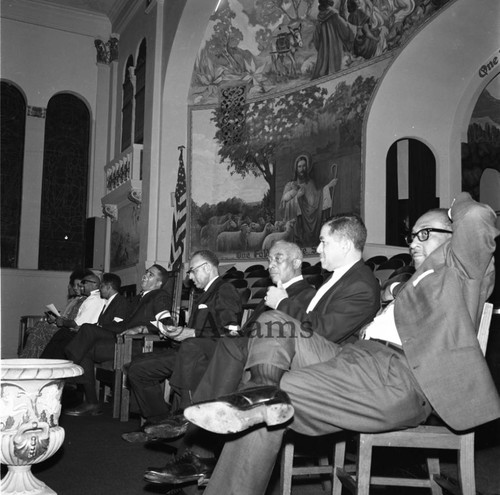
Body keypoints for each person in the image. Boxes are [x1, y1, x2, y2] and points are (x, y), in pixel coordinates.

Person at [181, 193, 500, 495]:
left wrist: (455, 205)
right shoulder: (413, 282)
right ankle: (262, 388)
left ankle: (259, 401)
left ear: (454, 237)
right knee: (272, 324)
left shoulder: (463, 270)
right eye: (412, 235)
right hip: (353, 357)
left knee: (268, 398)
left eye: (425, 234)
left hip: (396, 375)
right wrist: (396, 290)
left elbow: (475, 216)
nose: (414, 242)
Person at [144, 214, 381, 486]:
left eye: (323, 242)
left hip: (329, 363)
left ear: (345, 244)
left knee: (238, 353)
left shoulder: (361, 283)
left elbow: (324, 331)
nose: (317, 249)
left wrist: (283, 304)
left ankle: (197, 440)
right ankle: (198, 441)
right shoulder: (338, 278)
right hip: (301, 349)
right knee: (232, 347)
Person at [142, 241, 317, 444]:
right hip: (240, 346)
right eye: (269, 260)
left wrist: (280, 303)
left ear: (296, 262)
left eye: (278, 259)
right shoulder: (272, 293)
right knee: (184, 353)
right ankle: (184, 418)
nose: (270, 265)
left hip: (262, 355)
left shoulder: (305, 294)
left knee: (198, 348)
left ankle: (187, 417)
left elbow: (298, 334)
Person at [122, 250, 243, 442]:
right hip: (189, 351)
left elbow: (230, 331)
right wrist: (176, 332)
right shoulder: (203, 295)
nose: (190, 277)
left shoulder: (224, 289)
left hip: (209, 354)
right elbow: (196, 331)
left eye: (193, 271)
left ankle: (179, 422)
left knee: (186, 352)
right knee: (137, 368)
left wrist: (192, 333)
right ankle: (160, 423)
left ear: (207, 267)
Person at [63, 264, 173, 416]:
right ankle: (91, 402)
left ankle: (69, 372)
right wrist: (101, 327)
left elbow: (167, 324)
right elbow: (123, 323)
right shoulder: (137, 298)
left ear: (159, 283)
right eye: (146, 272)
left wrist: (143, 328)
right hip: (121, 337)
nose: (145, 276)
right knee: (86, 339)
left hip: (137, 344)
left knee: (86, 335)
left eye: (151, 275)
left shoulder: (160, 296)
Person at [20, 268, 87, 358]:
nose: (74, 288)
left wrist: (58, 321)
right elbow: (65, 318)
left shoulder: (85, 301)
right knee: (39, 328)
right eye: (74, 285)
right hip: (63, 327)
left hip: (69, 331)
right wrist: (55, 320)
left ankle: (29, 360)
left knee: (39, 330)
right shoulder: (75, 300)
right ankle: (31, 359)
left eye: (78, 285)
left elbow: (73, 321)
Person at [40, 271, 105, 359]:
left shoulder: (94, 299)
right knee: (59, 336)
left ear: (95, 285)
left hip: (85, 333)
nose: (81, 286)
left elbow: (76, 323)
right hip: (81, 330)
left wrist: (62, 322)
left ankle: (48, 364)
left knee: (61, 336)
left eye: (84, 283)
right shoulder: (90, 298)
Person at [280, 153, 337, 247]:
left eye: (304, 166)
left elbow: (315, 202)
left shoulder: (310, 184)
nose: (302, 169)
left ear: (307, 167)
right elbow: (282, 207)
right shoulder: (290, 185)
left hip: (310, 222)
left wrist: (328, 187)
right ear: (296, 168)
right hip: (296, 222)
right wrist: (297, 197)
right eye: (299, 166)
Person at [311, 0, 356, 79]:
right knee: (337, 70)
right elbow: (345, 29)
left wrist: (321, 48)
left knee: (323, 71)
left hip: (323, 50)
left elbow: (316, 38)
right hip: (335, 47)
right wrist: (351, 31)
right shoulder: (334, 15)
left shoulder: (319, 19)